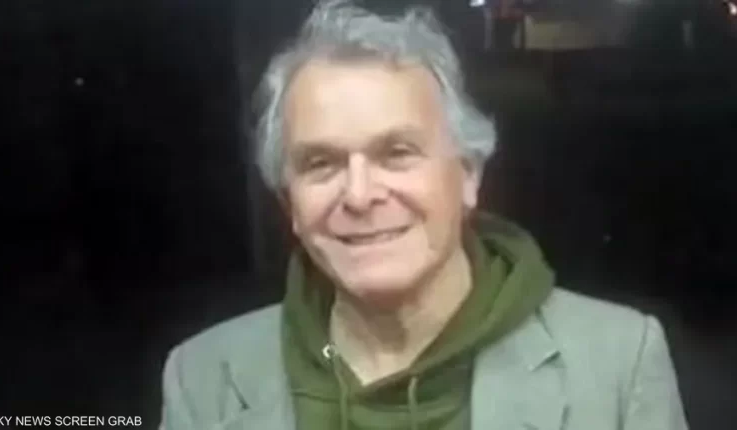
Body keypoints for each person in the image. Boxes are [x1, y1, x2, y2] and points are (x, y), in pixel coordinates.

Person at [158, 1, 688, 429]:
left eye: (397, 153)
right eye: (321, 163)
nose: (359, 195)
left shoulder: (617, 364)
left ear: (468, 175)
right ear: (288, 202)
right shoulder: (203, 378)